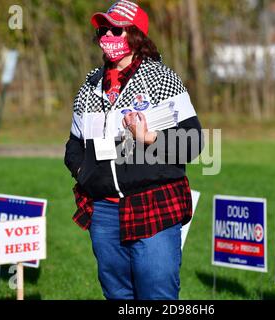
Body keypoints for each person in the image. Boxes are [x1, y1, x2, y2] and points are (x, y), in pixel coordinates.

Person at [64, 0, 204, 300]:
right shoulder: (90, 86)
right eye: (103, 29)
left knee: (157, 296)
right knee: (117, 296)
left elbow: (193, 141)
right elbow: (73, 146)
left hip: (153, 206)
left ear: (136, 35)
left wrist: (151, 138)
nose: (106, 36)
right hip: (103, 212)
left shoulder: (162, 79)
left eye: (116, 29)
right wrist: (83, 172)